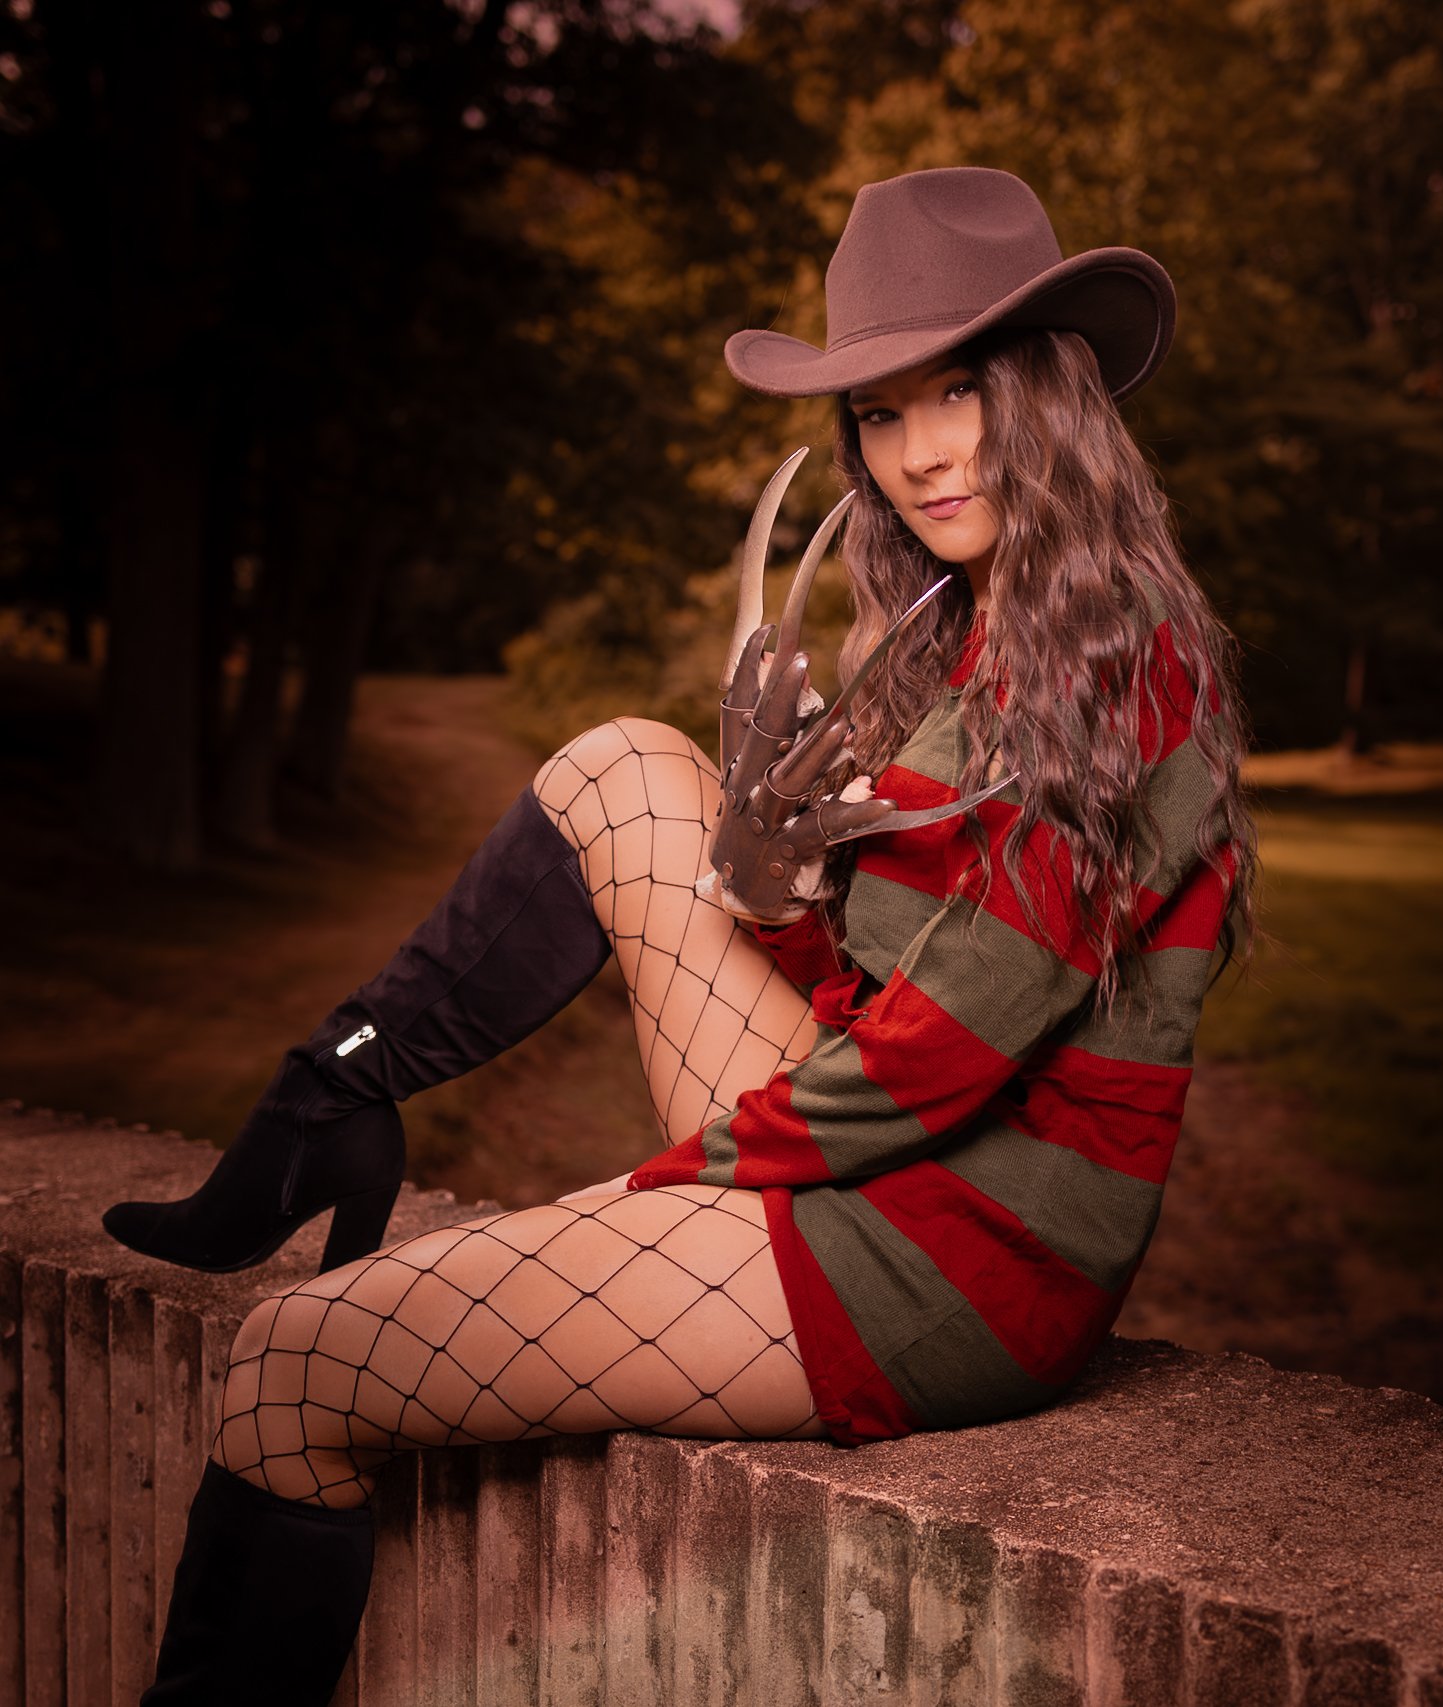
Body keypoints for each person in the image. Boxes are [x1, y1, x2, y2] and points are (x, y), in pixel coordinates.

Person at [104, 167, 1256, 1705]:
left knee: (293, 1367)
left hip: (961, 1259)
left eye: (959, 393)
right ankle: (329, 1104)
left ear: (1047, 394)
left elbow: (930, 1063)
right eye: (879, 413)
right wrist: (783, 914)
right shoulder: (970, 633)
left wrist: (633, 1201)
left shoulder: (1118, 665)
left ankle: (329, 1140)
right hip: (881, 1160)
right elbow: (880, 996)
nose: (918, 452)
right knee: (628, 769)